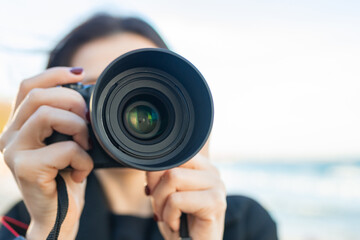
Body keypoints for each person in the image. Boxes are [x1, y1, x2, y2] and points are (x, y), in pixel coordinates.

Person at [0, 13, 277, 240]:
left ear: (184, 103)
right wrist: (51, 229)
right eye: (96, 90)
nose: (120, 106)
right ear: (56, 106)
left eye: (139, 81)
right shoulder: (21, 224)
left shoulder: (242, 224)